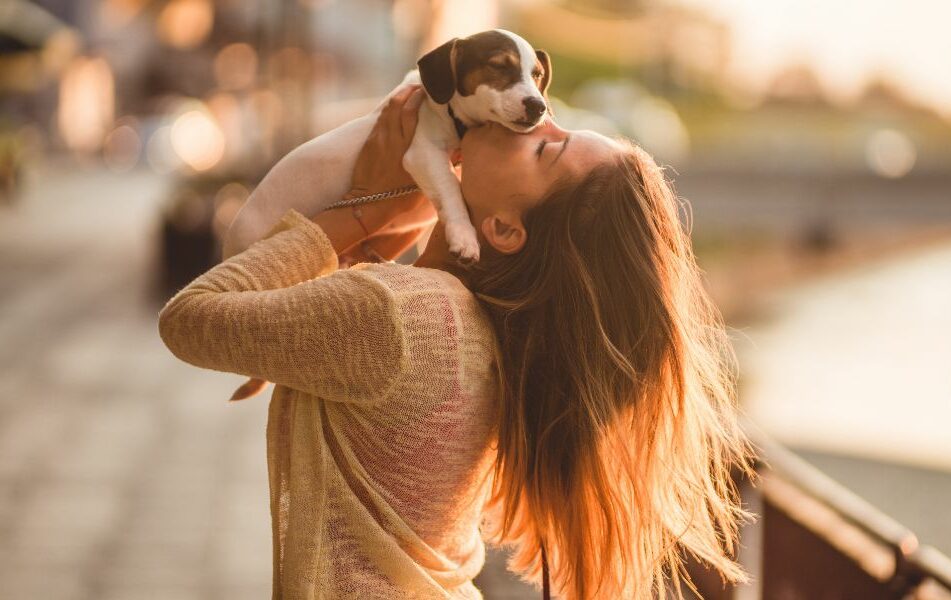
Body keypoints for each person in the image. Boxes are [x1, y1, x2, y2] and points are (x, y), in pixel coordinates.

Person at [158, 84, 756, 600]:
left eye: (547, 146)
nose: (538, 115)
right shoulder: (464, 323)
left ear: (502, 228)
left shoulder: (404, 315)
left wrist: (367, 208)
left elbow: (190, 319)